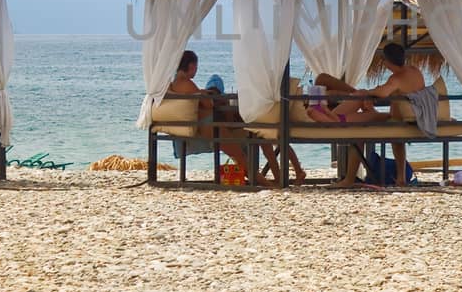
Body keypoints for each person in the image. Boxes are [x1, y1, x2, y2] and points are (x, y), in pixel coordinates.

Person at [311, 42, 439, 186]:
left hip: (397, 120)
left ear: (386, 62)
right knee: (362, 110)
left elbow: (383, 93)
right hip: (403, 118)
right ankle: (399, 178)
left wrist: (367, 92)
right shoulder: (414, 71)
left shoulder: (396, 79)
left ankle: (349, 179)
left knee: (359, 129)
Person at [168, 50, 304, 184]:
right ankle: (271, 184)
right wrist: (203, 95)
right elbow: (208, 105)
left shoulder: (176, 83)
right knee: (242, 155)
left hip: (209, 125)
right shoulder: (187, 83)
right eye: (196, 68)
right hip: (210, 126)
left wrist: (201, 93)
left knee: (257, 140)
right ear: (191, 66)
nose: (196, 71)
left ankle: (277, 179)